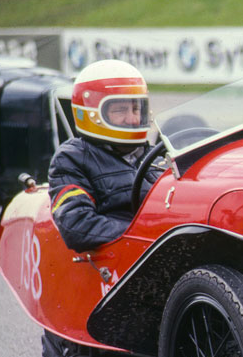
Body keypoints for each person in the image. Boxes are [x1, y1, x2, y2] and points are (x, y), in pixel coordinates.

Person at [49, 59, 162, 252]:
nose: (133, 119)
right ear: (91, 113)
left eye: (137, 109)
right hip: (121, 262)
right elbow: (77, 225)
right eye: (120, 110)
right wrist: (151, 235)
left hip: (161, 248)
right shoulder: (71, 159)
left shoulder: (158, 155)